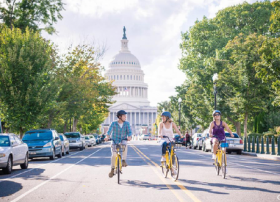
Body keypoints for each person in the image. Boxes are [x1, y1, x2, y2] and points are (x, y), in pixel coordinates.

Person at [105, 110, 132, 178]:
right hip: (114, 140)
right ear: (120, 117)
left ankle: (123, 160)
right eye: (124, 116)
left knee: (125, 145)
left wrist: (129, 137)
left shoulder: (127, 124)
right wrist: (107, 137)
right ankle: (112, 169)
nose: (125, 117)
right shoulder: (113, 123)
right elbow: (109, 131)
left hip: (123, 139)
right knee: (114, 154)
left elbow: (129, 131)